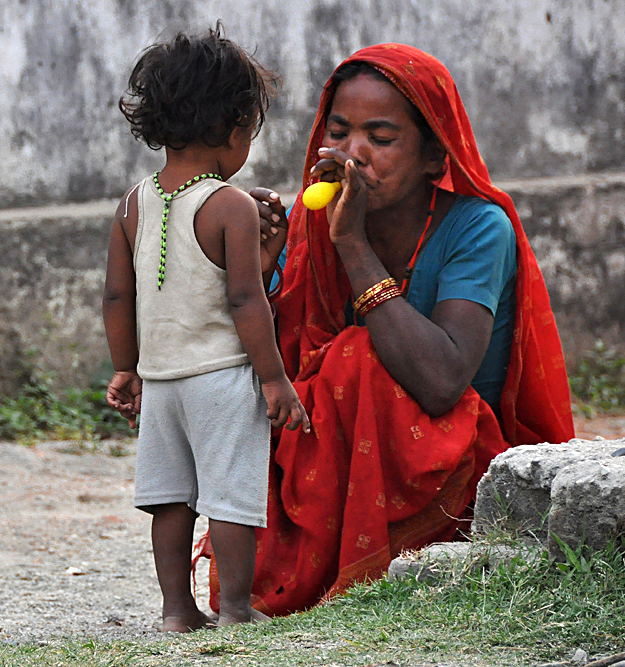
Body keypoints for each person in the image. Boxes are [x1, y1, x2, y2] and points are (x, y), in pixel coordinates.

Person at [198, 43, 576, 616]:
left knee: (357, 359)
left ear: (432, 155)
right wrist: (266, 271)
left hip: (450, 471)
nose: (354, 154)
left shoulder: (478, 228)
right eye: (341, 132)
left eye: (380, 138)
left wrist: (351, 245)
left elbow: (442, 380)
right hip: (331, 475)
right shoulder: (311, 218)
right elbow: (277, 371)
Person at [103, 26, 312, 632]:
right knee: (230, 500)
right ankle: (236, 609)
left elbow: (120, 293)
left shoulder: (131, 203)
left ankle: (176, 610)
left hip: (163, 382)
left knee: (170, 499)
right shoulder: (231, 205)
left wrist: (126, 366)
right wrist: (274, 380)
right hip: (222, 380)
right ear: (234, 128)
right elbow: (245, 299)